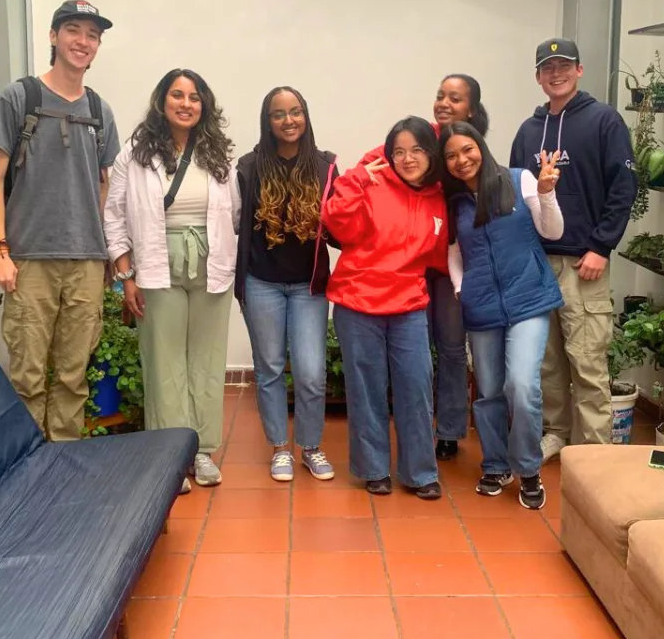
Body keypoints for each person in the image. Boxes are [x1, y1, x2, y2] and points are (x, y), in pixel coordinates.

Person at [0, 0, 120, 442]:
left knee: (74, 377)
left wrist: (107, 252)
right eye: (73, 30)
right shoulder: (18, 98)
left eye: (92, 35)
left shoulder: (100, 110)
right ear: (53, 36)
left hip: (86, 262)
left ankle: (63, 460)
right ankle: (29, 462)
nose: (83, 41)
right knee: (26, 375)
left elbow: (105, 185)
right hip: (30, 259)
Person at [103, 69, 240, 491]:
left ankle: (201, 450)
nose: (186, 104)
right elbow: (114, 215)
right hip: (156, 264)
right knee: (163, 360)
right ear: (162, 101)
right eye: (177, 95)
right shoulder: (135, 154)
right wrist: (126, 276)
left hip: (211, 264)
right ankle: (168, 454)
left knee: (206, 359)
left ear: (204, 105)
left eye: (194, 97)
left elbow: (234, 212)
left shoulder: (218, 154)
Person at [508, 38, 635, 461]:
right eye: (548, 68)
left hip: (584, 264)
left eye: (564, 65)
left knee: (587, 361)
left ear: (579, 70)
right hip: (538, 264)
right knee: (546, 362)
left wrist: (602, 246)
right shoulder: (528, 131)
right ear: (538, 77)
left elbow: (623, 187)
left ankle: (596, 452)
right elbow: (517, 193)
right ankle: (556, 433)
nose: (556, 73)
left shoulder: (604, 121)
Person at [322, 116, 448, 500]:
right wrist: (356, 179)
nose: (408, 159)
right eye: (399, 151)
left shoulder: (438, 196)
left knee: (417, 386)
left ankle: (420, 472)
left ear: (431, 153)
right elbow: (338, 225)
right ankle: (374, 469)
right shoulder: (372, 182)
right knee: (367, 390)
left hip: (408, 303)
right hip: (358, 300)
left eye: (417, 150)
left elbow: (442, 254)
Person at [442, 121, 564, 509]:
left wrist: (545, 193)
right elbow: (454, 252)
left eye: (467, 149)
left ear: (480, 146)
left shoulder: (518, 179)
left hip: (528, 298)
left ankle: (528, 468)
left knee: (522, 385)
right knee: (489, 391)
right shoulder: (454, 203)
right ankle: (496, 465)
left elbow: (553, 231)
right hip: (481, 305)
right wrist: (461, 288)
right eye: (451, 155)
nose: (461, 160)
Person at [234, 86, 338, 482]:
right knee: (271, 368)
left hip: (308, 287)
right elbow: (235, 223)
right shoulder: (249, 167)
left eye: (295, 112)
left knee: (311, 371)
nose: (288, 120)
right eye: (278, 114)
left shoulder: (326, 167)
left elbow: (341, 224)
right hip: (261, 283)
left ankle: (310, 447)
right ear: (268, 121)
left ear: (305, 116)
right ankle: (280, 448)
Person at [426, 74, 490, 461]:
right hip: (417, 263)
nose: (444, 103)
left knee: (451, 348)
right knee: (417, 350)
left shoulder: (472, 152)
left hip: (455, 266)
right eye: (440, 96)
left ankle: (449, 430)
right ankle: (418, 425)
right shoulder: (424, 142)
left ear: (472, 110)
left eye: (455, 98)